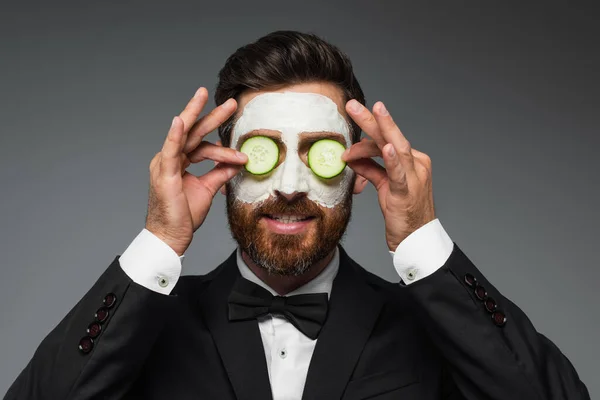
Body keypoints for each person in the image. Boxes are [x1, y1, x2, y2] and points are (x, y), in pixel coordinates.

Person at [4, 30, 589, 400]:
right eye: (264, 153)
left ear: (361, 169)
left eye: (320, 152)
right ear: (225, 167)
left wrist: (422, 240)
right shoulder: (149, 325)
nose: (288, 186)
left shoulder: (429, 327)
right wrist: (160, 239)